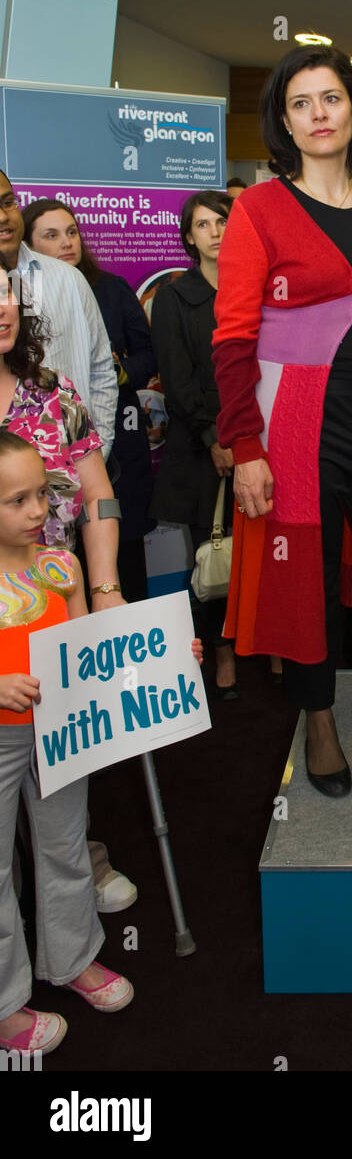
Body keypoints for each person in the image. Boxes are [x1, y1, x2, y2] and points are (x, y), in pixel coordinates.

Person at [212, 45, 352, 796]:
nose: (318, 114)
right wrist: (244, 441)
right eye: (301, 102)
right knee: (302, 576)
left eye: (331, 98)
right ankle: (317, 720)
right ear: (283, 120)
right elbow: (232, 336)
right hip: (292, 416)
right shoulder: (257, 208)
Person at [0, 432, 135, 1057]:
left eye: (42, 495)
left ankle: (73, 957)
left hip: (61, 731)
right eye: (16, 500)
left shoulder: (61, 565)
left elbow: (94, 649)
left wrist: (156, 662)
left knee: (64, 842)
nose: (36, 511)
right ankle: (5, 1004)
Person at [21, 199, 156, 604]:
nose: (66, 242)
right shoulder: (24, 292)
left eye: (72, 232)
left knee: (115, 565)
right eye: (51, 234)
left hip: (101, 449)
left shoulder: (105, 288)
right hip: (34, 495)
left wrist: (92, 447)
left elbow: (110, 368)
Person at [149, 191, 240, 701]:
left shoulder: (257, 287)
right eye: (202, 224)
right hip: (201, 446)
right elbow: (178, 380)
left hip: (258, 437)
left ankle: (264, 643)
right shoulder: (174, 296)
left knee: (265, 551)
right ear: (189, 237)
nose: (214, 231)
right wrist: (215, 439)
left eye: (221, 221)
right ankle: (222, 654)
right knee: (215, 554)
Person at [0, 168, 117, 456]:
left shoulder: (67, 278)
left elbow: (101, 369)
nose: (3, 216)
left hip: (74, 470)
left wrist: (96, 451)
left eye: (7, 202)